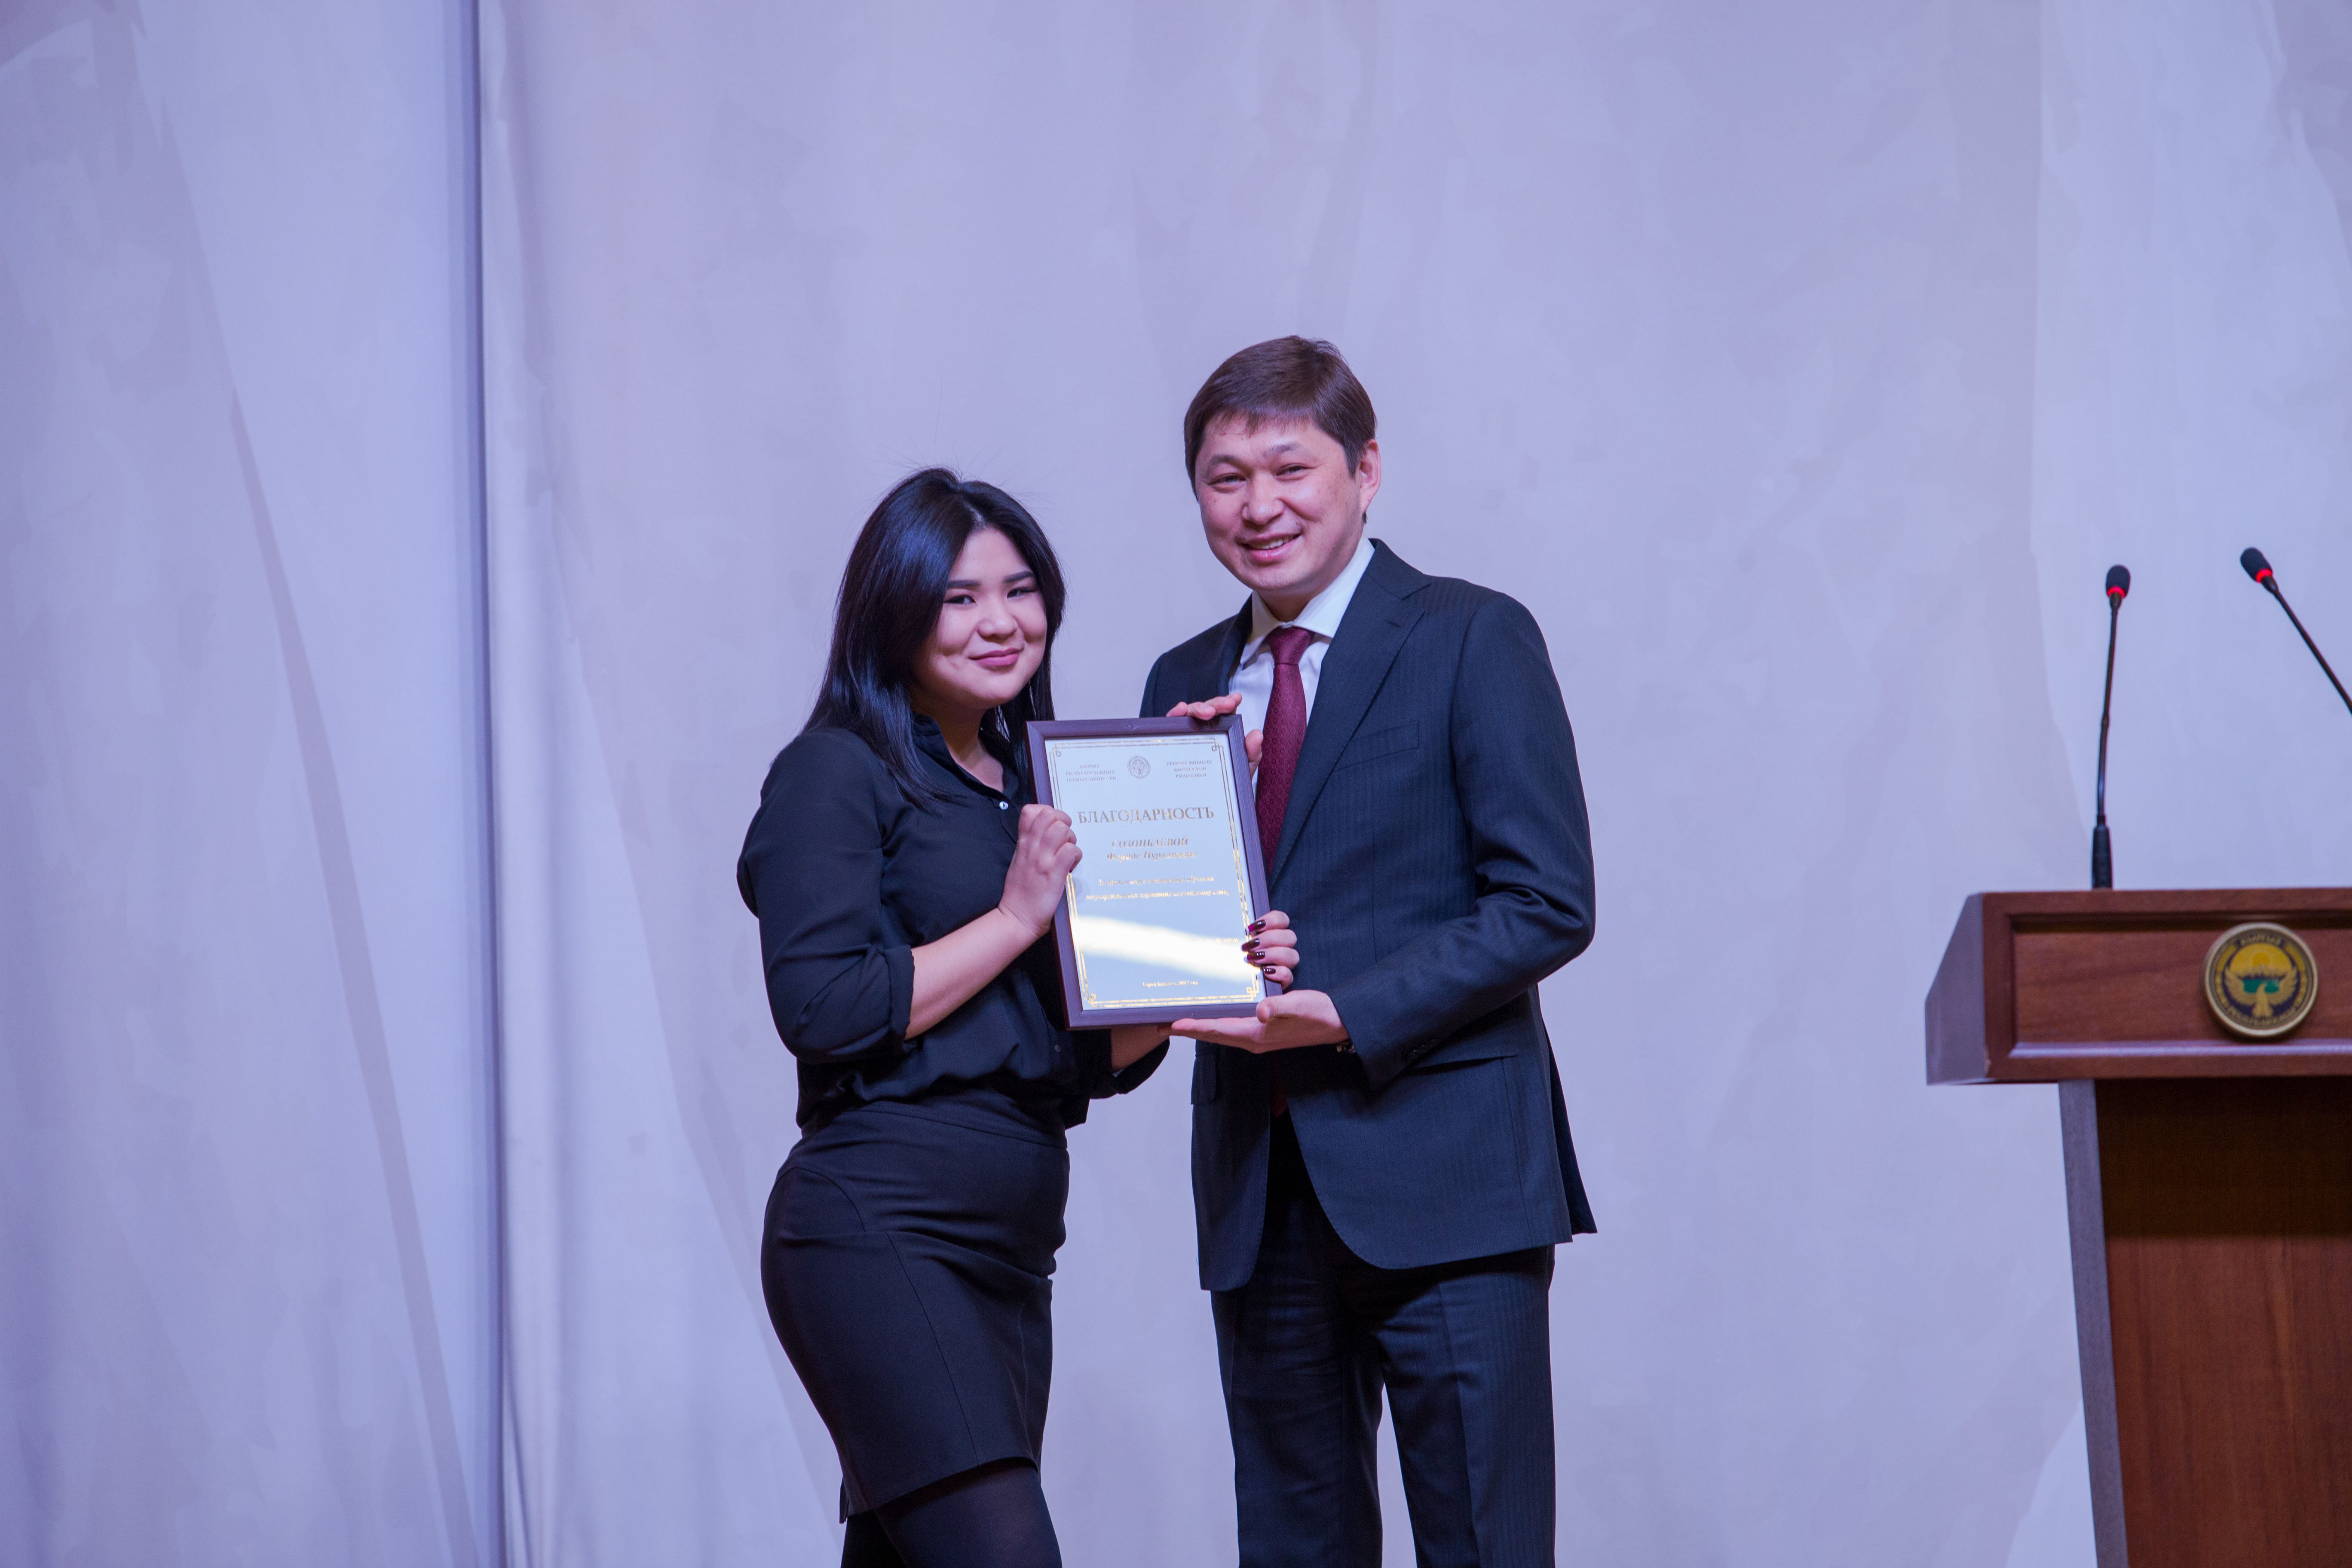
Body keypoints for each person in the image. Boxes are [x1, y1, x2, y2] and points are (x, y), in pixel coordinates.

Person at [739, 468, 1299, 1568]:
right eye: (959, 597)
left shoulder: (1026, 789)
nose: (1000, 621)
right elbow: (824, 1005)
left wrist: (1210, 945)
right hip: (878, 1226)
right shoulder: (835, 771)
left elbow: (1075, 1055)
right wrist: (1013, 918)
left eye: (1021, 589)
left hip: (1012, 1250)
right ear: (895, 610)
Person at [1148, 339, 1598, 1568]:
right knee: (1294, 1548)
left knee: (1485, 1545)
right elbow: (1170, 937)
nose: (1260, 506)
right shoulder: (1184, 682)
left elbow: (1547, 900)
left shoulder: (1471, 634)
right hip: (1259, 1191)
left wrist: (1345, 1010)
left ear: (1366, 470)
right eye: (1226, 478)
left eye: (1290, 468)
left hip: (1450, 1177)